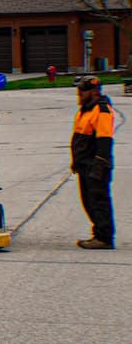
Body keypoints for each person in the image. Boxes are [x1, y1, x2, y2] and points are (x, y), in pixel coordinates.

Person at [71, 75, 116, 250]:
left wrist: (100, 163)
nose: (79, 95)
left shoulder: (102, 110)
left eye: (81, 91)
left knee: (98, 200)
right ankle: (98, 233)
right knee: (88, 201)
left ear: (94, 91)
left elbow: (104, 140)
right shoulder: (86, 109)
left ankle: (104, 237)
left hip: (95, 165)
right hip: (84, 164)